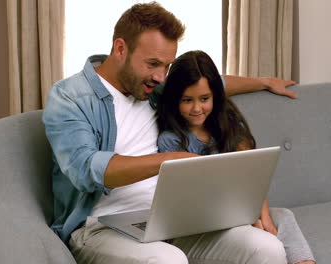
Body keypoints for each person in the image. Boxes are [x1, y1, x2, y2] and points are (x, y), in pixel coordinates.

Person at [43, 2, 298, 263]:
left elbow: (210, 83)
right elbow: (85, 169)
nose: (161, 76)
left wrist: (264, 82)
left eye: (167, 66)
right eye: (153, 63)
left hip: (170, 219)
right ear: (120, 49)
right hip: (99, 228)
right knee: (167, 260)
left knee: (266, 247)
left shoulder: (154, 87)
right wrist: (170, 161)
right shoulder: (70, 97)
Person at [157, 50, 315, 264]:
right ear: (175, 99)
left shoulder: (228, 125)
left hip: (236, 214)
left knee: (283, 216)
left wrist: (263, 217)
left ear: (215, 95)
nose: (196, 108)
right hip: (197, 228)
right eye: (187, 100)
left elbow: (252, 175)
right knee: (257, 234)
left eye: (204, 99)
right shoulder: (171, 140)